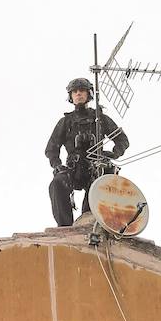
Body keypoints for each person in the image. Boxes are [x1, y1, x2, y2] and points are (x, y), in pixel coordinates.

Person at [45, 77, 129, 227]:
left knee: (101, 189)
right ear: (70, 96)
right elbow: (51, 149)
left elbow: (122, 139)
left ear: (88, 94)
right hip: (74, 169)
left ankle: (87, 225)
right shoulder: (66, 122)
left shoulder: (100, 119)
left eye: (82, 90)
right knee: (57, 183)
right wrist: (57, 165)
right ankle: (65, 228)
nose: (78, 94)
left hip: (96, 168)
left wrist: (113, 153)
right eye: (75, 91)